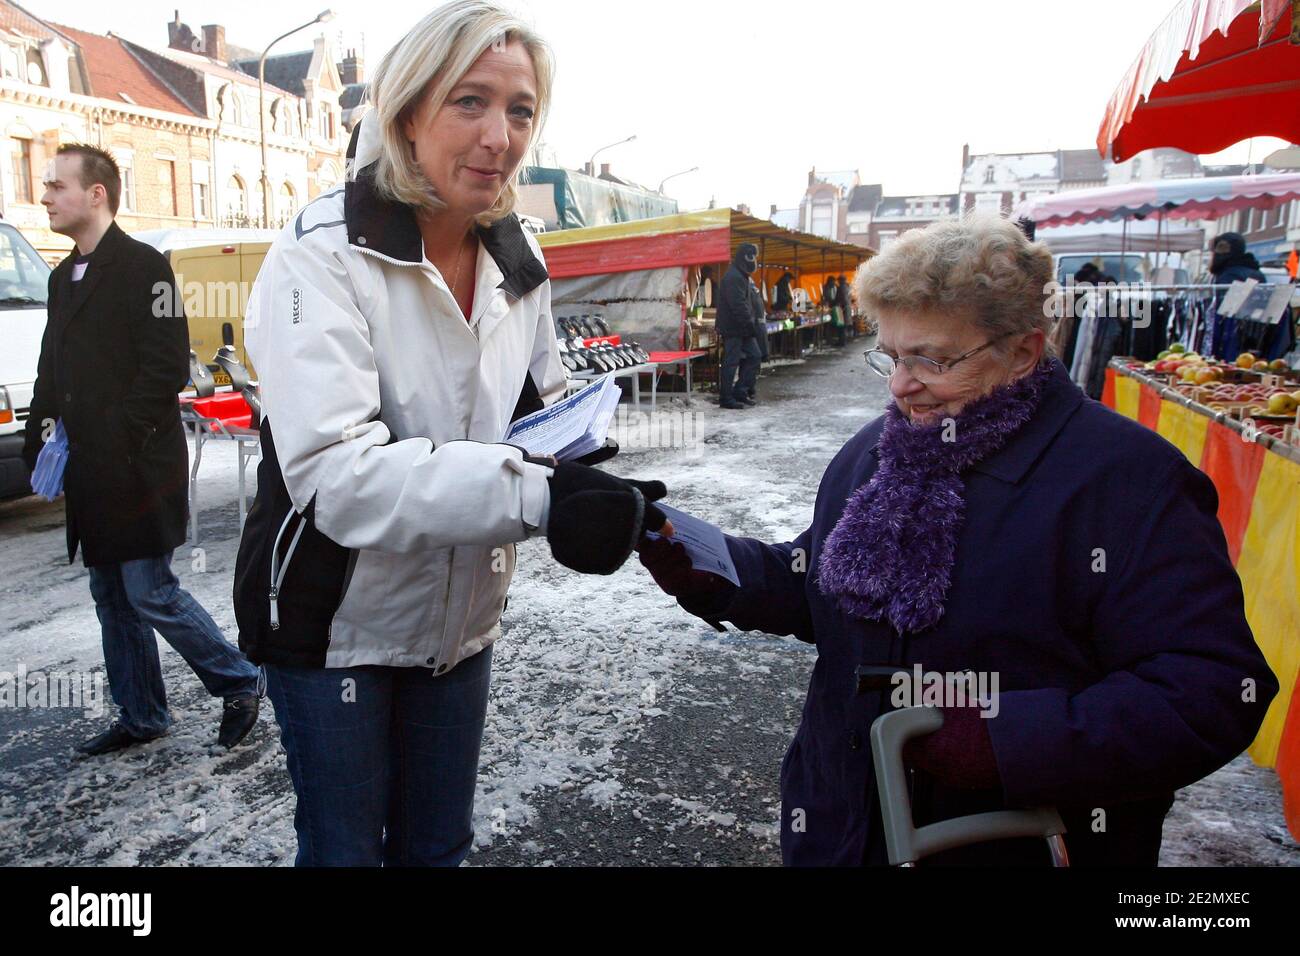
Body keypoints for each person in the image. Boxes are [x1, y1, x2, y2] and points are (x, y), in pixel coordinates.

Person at [638, 214, 1277, 866]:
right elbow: (815, 582)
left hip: (1009, 848)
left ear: (1024, 352)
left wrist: (1011, 741)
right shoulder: (876, 453)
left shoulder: (1129, 482)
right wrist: (705, 564)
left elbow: (1214, 689)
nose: (899, 384)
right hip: (842, 829)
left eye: (932, 359)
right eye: (890, 354)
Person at [234, 0, 668, 867]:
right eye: (469, 102)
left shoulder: (519, 254)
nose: (497, 136)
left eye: (520, 110)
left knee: (438, 848)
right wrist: (538, 494)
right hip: (333, 622)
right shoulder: (319, 254)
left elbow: (528, 405)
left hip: (460, 615)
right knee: (347, 852)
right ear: (406, 112)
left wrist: (585, 468)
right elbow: (336, 476)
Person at [24, 144, 264, 756]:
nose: (45, 195)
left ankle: (238, 680)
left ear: (96, 194)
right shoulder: (60, 276)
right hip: (88, 467)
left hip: (135, 465)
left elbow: (162, 367)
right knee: (110, 597)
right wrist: (43, 436)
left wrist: (118, 436)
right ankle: (142, 714)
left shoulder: (143, 266)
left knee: (150, 591)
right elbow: (53, 363)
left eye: (56, 185)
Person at [716, 243, 763, 409]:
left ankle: (740, 391)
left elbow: (743, 305)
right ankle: (726, 398)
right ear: (746, 257)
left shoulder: (740, 275)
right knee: (731, 361)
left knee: (754, 356)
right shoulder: (734, 277)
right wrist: (750, 325)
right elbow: (738, 305)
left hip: (741, 327)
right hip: (734, 327)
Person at [835, 274, 852, 346]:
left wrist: (837, 304)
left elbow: (840, 298)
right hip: (847, 307)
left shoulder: (841, 288)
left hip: (843, 308)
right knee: (844, 326)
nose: (838, 281)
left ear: (841, 280)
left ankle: (842, 342)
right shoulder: (848, 287)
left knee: (841, 326)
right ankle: (843, 341)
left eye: (839, 280)